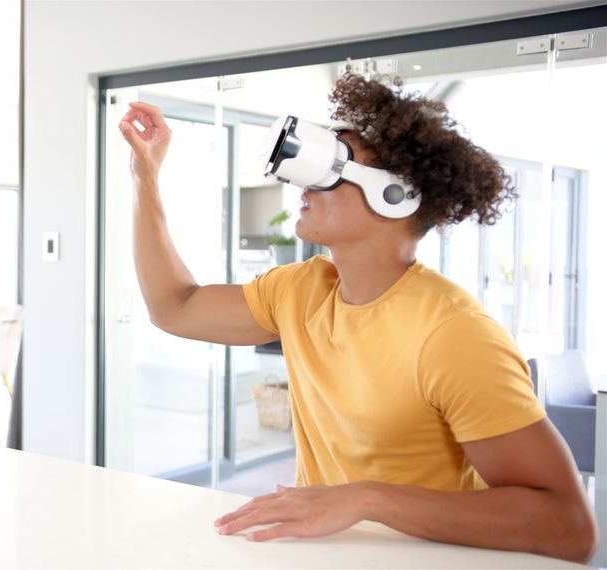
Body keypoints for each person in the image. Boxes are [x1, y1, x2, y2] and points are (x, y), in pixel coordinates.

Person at [117, 74, 596, 563]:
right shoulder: (301, 289)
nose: (301, 181)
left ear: (395, 195)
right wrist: (145, 175)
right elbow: (174, 307)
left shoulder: (455, 335)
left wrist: (368, 498)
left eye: (333, 167)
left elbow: (567, 526)